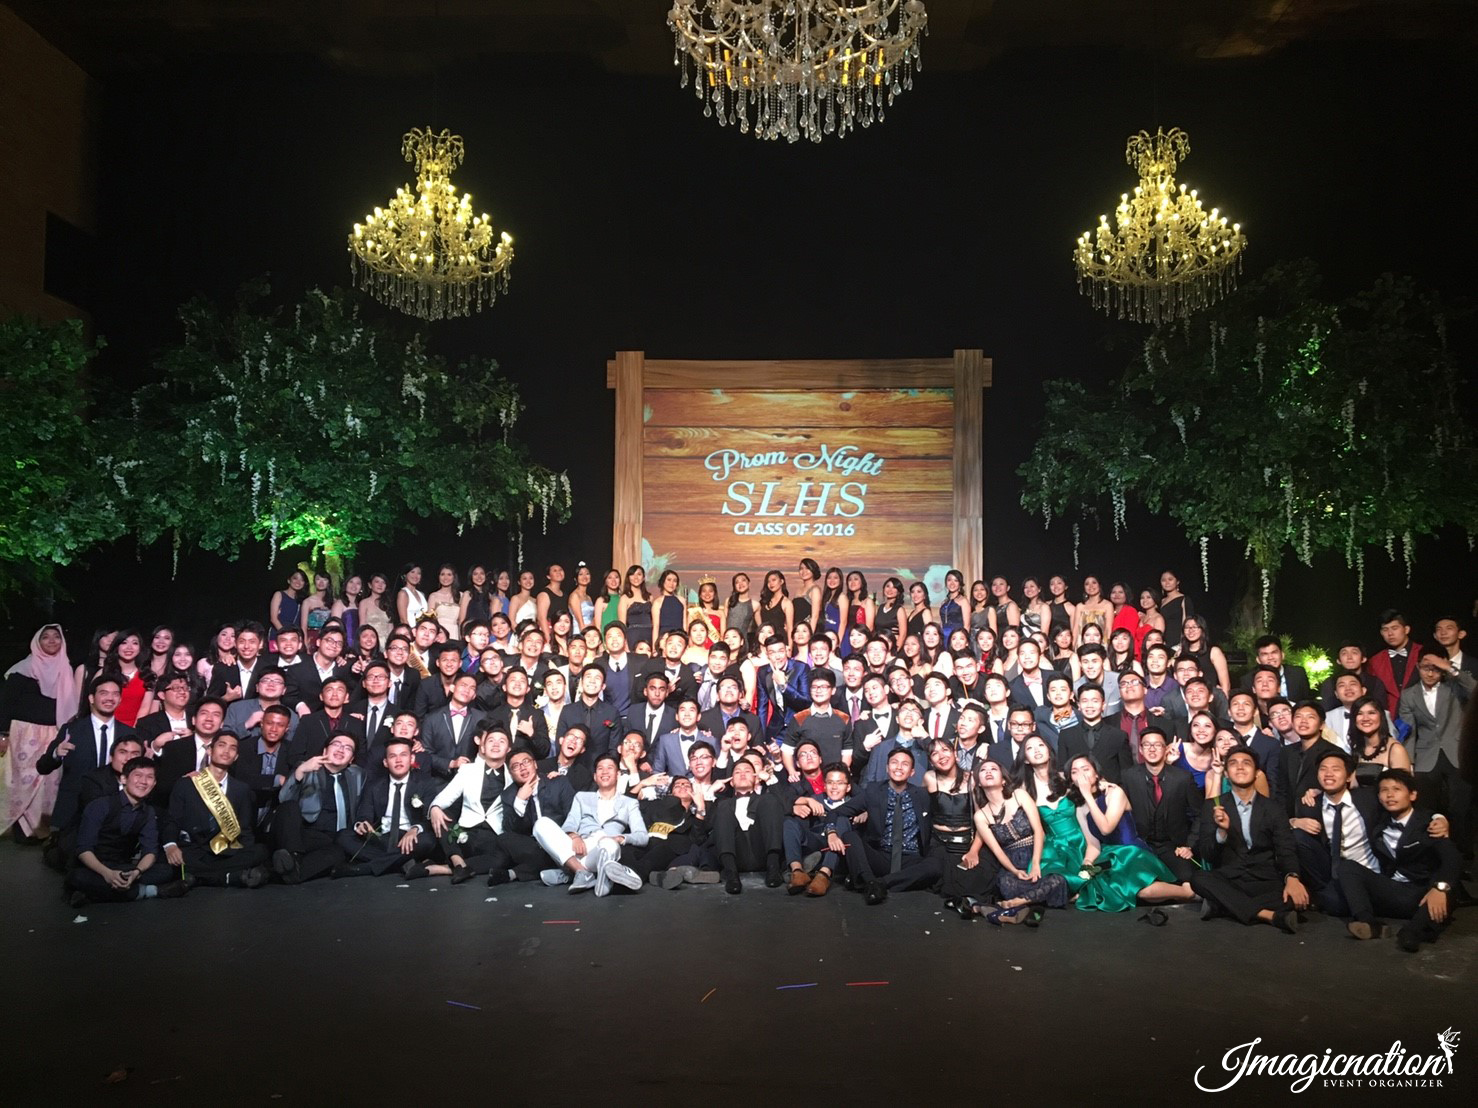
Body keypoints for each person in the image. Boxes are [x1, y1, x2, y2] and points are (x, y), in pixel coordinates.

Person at [1338, 768, 1462, 952]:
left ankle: (1412, 932)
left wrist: (1439, 888)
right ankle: (1368, 923)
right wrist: (1314, 792)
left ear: (1412, 795)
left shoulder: (1429, 823)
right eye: (1384, 790)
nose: (1390, 795)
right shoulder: (1378, 821)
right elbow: (1344, 793)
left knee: (1448, 890)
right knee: (1347, 867)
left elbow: (1453, 859)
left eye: (1396, 789)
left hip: (1422, 892)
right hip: (1393, 888)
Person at [1191, 746, 1309, 932]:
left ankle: (1222, 905)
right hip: (1229, 878)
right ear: (1226, 774)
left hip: (1264, 880)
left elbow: (1285, 848)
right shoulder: (1213, 806)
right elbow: (1207, 854)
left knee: (1297, 899)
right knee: (1198, 879)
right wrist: (1222, 832)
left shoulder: (1273, 808)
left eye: (1246, 763)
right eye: (1233, 763)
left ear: (1256, 773)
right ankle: (1270, 916)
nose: (1240, 767)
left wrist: (1292, 878)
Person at [66, 757, 189, 906]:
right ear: (124, 779)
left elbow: (150, 851)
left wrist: (136, 872)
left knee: (166, 871)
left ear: (154, 783)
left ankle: (93, 895)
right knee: (78, 877)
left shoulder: (148, 812)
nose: (143, 782)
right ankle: (150, 891)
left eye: (149, 777)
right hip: (95, 867)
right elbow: (83, 850)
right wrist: (107, 874)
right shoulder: (100, 805)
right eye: (138, 775)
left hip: (123, 867)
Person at [956, 757, 1064, 923]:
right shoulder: (981, 816)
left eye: (993, 769)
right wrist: (1014, 871)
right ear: (978, 783)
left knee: (1058, 879)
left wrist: (1036, 863)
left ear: (1004, 779)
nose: (988, 772)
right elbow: (997, 851)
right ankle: (1031, 900)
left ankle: (1019, 902)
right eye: (983, 770)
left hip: (1039, 851)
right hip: (1012, 858)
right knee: (1006, 884)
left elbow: (1039, 831)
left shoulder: (1019, 795)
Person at [1, 624, 80, 841]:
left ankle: (40, 830)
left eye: (56, 637)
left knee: (48, 783)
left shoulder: (65, 669)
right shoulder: (23, 669)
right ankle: (21, 831)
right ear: (37, 642)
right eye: (46, 637)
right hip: (24, 735)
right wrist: (2, 733)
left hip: (54, 733)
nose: (52, 641)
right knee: (23, 781)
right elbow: (6, 703)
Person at [163, 731, 270, 888]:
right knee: (175, 858)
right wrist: (170, 845)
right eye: (221, 745)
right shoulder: (186, 784)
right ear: (209, 751)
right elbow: (172, 820)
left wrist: (248, 851)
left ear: (236, 757)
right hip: (195, 849)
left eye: (232, 748)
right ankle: (228, 877)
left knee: (260, 851)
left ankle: (201, 877)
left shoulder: (242, 789)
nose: (226, 751)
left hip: (227, 850)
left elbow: (245, 830)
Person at [531, 753, 649, 896]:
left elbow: (642, 836)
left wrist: (620, 838)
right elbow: (569, 824)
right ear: (595, 776)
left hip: (602, 849)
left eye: (609, 768)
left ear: (618, 774)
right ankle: (584, 872)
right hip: (576, 848)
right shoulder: (582, 797)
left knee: (609, 845)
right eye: (600, 768)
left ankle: (573, 873)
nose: (604, 772)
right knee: (541, 824)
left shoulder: (629, 803)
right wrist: (574, 836)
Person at [829, 747, 935, 905]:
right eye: (894, 762)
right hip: (881, 856)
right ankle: (870, 882)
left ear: (912, 772)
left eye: (905, 764)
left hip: (910, 859)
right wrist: (831, 833)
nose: (899, 767)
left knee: (936, 865)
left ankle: (880, 883)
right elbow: (836, 812)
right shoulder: (873, 791)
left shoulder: (922, 795)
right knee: (850, 837)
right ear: (887, 768)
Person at [335, 735, 440, 879]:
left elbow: (428, 816)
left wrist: (415, 829)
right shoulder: (374, 785)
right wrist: (362, 824)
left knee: (428, 840)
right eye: (392, 756)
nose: (398, 760)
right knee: (343, 836)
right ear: (385, 762)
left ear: (411, 759)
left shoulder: (425, 783)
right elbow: (364, 813)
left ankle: (366, 868)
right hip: (382, 837)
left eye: (403, 755)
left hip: (410, 837)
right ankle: (403, 862)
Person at [1398, 653, 1473, 853]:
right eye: (1426, 668)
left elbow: (1474, 689)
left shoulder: (1454, 687)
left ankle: (1462, 852)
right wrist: (1409, 762)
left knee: (1460, 806)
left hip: (1456, 753)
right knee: (1426, 806)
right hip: (1426, 755)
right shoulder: (1409, 694)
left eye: (1436, 669)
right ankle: (1432, 851)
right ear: (1417, 667)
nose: (1430, 673)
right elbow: (1409, 731)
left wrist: (1449, 668)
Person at [428, 726, 517, 884]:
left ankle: (447, 869)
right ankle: (457, 862)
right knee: (441, 813)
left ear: (508, 749)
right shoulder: (468, 770)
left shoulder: (514, 775)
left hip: (493, 836)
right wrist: (435, 808)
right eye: (491, 740)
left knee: (503, 859)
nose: (496, 744)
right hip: (465, 833)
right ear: (483, 747)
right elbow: (445, 797)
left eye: (502, 741)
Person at [273, 732, 364, 883]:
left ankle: (287, 871)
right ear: (324, 750)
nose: (341, 749)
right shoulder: (307, 768)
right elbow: (284, 799)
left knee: (339, 853)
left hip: (332, 839)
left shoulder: (358, 775)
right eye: (336, 744)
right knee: (289, 806)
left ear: (351, 759)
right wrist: (300, 771)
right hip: (302, 834)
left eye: (348, 748)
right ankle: (293, 857)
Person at [1120, 727, 1203, 885]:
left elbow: (1200, 814)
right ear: (1140, 749)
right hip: (1141, 844)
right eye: (1147, 745)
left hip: (1173, 846)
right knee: (1135, 881)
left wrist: (1189, 845)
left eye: (1157, 745)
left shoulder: (1182, 778)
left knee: (1188, 878)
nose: (1152, 749)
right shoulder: (1129, 776)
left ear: (1166, 748)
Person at [709, 758, 788, 893]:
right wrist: (710, 793)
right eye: (737, 772)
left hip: (762, 850)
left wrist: (769, 780)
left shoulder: (764, 800)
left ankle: (773, 868)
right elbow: (706, 830)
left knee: (769, 799)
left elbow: (785, 809)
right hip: (735, 854)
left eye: (747, 771)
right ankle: (731, 875)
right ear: (731, 782)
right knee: (723, 806)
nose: (742, 774)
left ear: (756, 779)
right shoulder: (723, 804)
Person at [782, 760, 851, 897]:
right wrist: (795, 807)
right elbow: (784, 800)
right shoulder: (815, 800)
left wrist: (863, 814)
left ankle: (824, 875)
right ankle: (797, 872)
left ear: (848, 787)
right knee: (789, 822)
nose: (834, 787)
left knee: (842, 820)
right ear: (824, 785)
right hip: (817, 842)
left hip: (840, 847)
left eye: (839, 783)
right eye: (830, 782)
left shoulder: (854, 803)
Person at [269, 569, 307, 648]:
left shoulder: (302, 600)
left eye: (302, 580)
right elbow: (273, 619)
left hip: (294, 637)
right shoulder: (279, 594)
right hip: (278, 633)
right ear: (289, 580)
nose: (298, 582)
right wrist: (285, 633)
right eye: (295, 578)